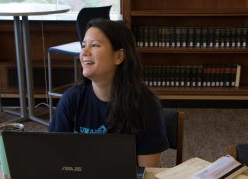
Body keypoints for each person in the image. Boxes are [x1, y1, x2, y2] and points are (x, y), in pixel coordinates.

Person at [49, 18, 168, 167]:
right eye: (83, 45)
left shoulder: (146, 105)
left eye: (94, 45)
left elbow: (147, 174)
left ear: (118, 56)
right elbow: (54, 159)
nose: (84, 52)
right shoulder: (71, 100)